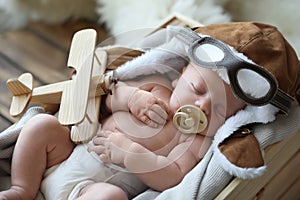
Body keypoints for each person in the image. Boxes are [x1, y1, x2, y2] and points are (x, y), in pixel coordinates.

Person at [0, 55, 246, 199]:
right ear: (179, 76)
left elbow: (172, 176)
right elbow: (106, 100)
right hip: (63, 156)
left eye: (220, 111)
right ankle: (22, 189)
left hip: (90, 191)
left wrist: (129, 153)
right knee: (42, 125)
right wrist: (131, 98)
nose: (202, 106)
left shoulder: (195, 142)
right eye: (198, 90)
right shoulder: (156, 87)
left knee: (112, 198)